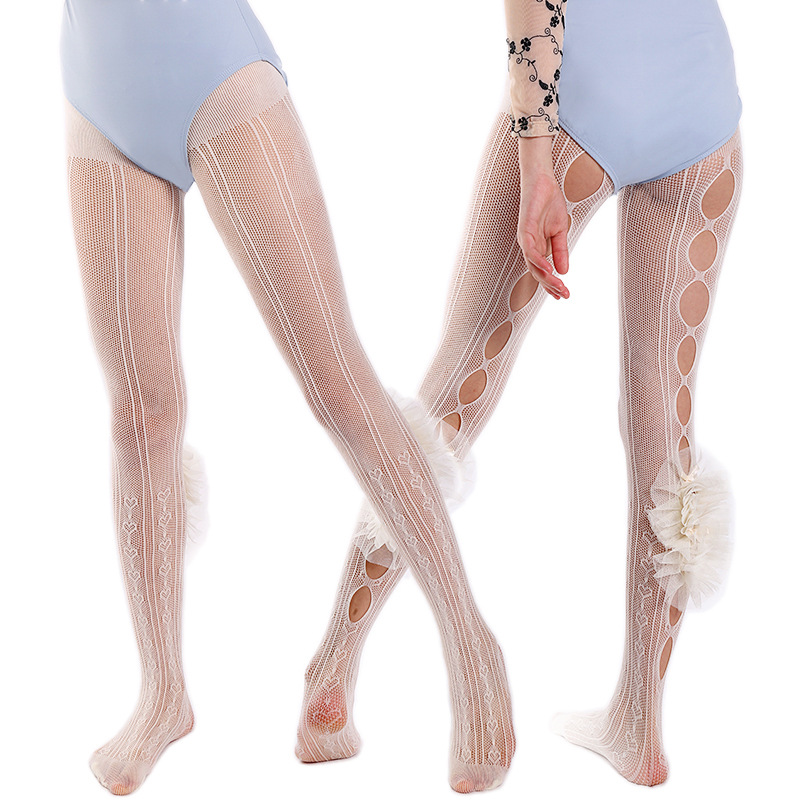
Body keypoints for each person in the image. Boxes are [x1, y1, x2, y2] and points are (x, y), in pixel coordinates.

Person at [60, 0, 514, 795]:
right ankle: (161, 692)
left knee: (337, 383)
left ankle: (471, 647)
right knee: (140, 414)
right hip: (99, 89)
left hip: (216, 70)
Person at [297, 0, 742, 786]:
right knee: (664, 424)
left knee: (459, 382)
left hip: (583, 96)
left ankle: (333, 667)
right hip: (702, 100)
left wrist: (536, 163)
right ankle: (641, 723)